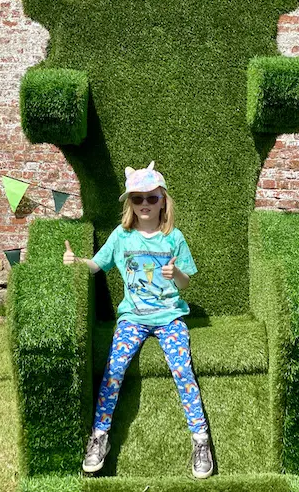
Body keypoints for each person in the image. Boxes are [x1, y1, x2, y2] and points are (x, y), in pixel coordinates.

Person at [63, 160, 213, 479]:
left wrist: (178, 274)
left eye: (152, 198)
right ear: (130, 203)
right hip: (132, 318)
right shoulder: (122, 236)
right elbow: (97, 265)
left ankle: (201, 441)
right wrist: (76, 261)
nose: (145, 204)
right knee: (114, 369)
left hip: (170, 317)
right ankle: (99, 436)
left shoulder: (174, 238)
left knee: (182, 370)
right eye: (137, 198)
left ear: (163, 200)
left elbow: (186, 283)